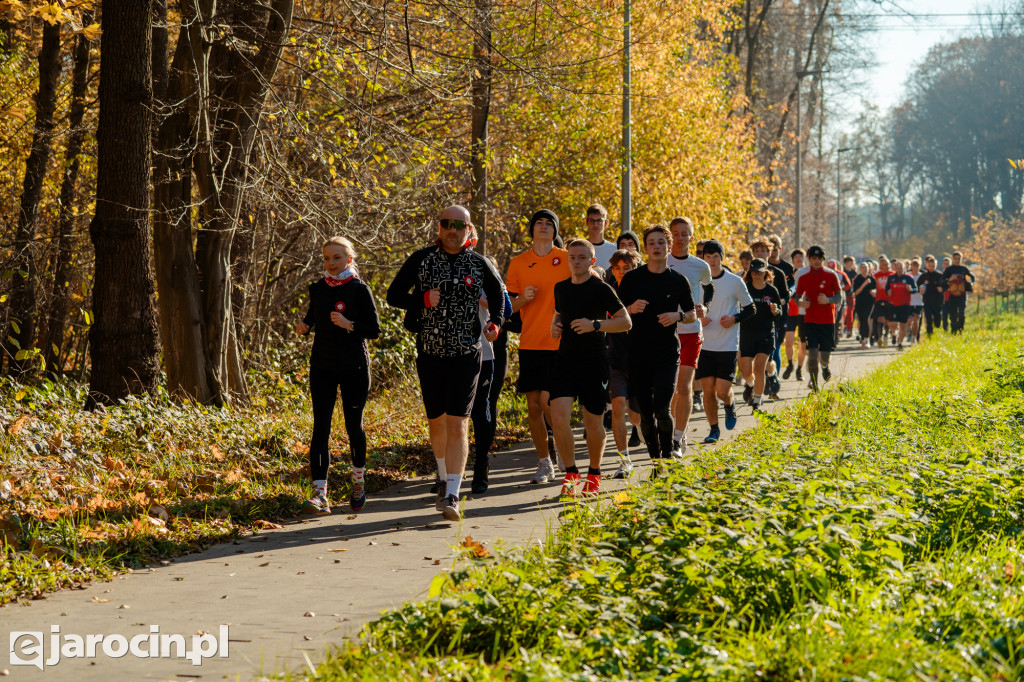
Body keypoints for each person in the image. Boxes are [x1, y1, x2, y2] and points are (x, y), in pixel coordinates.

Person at [386, 206, 506, 521]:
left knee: (457, 422)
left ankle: (452, 493)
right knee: (437, 421)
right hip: (430, 353)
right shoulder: (421, 259)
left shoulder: (479, 263)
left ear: (469, 230)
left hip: (467, 354)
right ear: (439, 228)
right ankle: (442, 475)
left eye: (459, 225)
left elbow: (499, 298)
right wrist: (422, 299)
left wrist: (495, 323)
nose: (452, 230)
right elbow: (393, 294)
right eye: (446, 224)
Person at [297, 236, 382, 514]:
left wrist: (349, 324)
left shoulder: (359, 289)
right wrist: (305, 326)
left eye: (337, 258)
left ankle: (358, 482)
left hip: (354, 366)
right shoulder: (318, 288)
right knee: (320, 427)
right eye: (326, 258)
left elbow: (374, 330)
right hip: (322, 366)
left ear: (349, 259)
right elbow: (313, 316)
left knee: (353, 426)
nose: (331, 263)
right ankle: (320, 494)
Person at [549, 239, 632, 496]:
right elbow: (558, 313)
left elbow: (625, 322)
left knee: (593, 423)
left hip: (594, 362)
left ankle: (594, 473)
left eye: (582, 257)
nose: (576, 261)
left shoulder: (601, 289)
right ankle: (571, 474)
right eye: (572, 257)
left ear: (592, 261)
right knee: (558, 418)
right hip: (565, 360)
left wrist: (594, 325)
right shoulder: (560, 287)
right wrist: (554, 326)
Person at [617, 225, 697, 461]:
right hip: (638, 354)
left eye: (661, 242)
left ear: (669, 247)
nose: (656, 247)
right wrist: (631, 309)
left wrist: (677, 316)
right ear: (645, 248)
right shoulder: (632, 279)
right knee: (645, 414)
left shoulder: (678, 280)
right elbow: (616, 313)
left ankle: (667, 456)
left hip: (667, 354)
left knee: (662, 409)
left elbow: (692, 314)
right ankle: (656, 462)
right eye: (651, 243)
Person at [506, 209, 571, 484]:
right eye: (539, 223)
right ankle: (545, 462)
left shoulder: (567, 258)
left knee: (548, 403)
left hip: (559, 343)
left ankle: (562, 448)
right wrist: (523, 298)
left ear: (555, 230)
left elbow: (587, 285)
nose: (543, 227)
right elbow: (507, 307)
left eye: (549, 223)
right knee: (533, 407)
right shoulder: (519, 263)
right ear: (532, 229)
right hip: (530, 343)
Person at [467, 232, 514, 494]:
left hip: (482, 352)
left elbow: (507, 308)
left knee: (480, 412)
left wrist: (480, 298)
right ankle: (446, 474)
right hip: (448, 353)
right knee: (450, 416)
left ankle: (481, 465)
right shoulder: (438, 267)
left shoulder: (486, 271)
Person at [697, 239, 755, 444]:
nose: (712, 261)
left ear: (721, 258)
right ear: (703, 258)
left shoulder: (734, 281)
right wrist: (698, 318)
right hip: (704, 344)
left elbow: (751, 308)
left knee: (722, 391)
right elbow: (687, 307)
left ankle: (729, 405)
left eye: (715, 256)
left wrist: (734, 319)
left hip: (728, 345)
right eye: (708, 257)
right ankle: (714, 429)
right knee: (708, 390)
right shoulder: (696, 281)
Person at [666, 217, 714, 455]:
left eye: (684, 234)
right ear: (669, 236)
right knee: (669, 388)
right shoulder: (660, 261)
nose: (679, 238)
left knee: (683, 387)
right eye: (675, 233)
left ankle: (677, 437)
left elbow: (709, 288)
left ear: (691, 238)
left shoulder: (700, 266)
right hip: (665, 331)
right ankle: (670, 429)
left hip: (691, 331)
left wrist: (705, 307)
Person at [606, 249, 644, 477]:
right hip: (617, 358)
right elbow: (604, 317)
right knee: (618, 405)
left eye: (626, 268)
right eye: (617, 268)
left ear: (635, 268)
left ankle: (642, 431)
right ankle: (624, 460)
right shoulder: (608, 291)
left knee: (636, 416)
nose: (621, 272)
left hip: (641, 359)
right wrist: (629, 310)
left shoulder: (644, 289)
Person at [794, 245, 842, 391]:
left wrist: (828, 300)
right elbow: (797, 296)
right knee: (813, 353)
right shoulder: (804, 277)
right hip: (811, 320)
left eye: (819, 258)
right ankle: (815, 385)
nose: (816, 261)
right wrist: (801, 303)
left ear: (823, 259)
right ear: (809, 259)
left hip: (827, 320)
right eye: (814, 258)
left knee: (825, 355)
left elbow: (839, 296)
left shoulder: (831, 275)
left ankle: (825, 366)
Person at [739, 258, 781, 410]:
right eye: (754, 271)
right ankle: (750, 384)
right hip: (747, 332)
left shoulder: (771, 291)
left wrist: (776, 311)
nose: (756, 274)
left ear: (765, 273)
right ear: (750, 273)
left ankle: (757, 401)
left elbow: (779, 312)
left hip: (766, 333)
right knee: (746, 370)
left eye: (759, 272)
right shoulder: (744, 288)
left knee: (759, 367)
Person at [751, 237, 788, 398]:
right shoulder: (748, 274)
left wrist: (776, 305)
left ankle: (771, 377)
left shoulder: (778, 274)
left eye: (763, 251)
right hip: (751, 324)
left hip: (773, 322)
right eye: (757, 251)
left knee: (769, 357)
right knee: (753, 360)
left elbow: (786, 295)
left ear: (769, 252)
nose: (760, 253)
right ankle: (759, 383)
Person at [783, 248, 806, 381]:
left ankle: (799, 369)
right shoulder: (789, 274)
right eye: (796, 257)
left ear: (804, 258)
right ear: (792, 260)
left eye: (800, 256)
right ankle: (790, 364)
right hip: (790, 312)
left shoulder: (808, 273)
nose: (798, 259)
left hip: (804, 313)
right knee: (789, 341)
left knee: (804, 344)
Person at [885, 259, 918, 350]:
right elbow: (886, 288)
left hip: (904, 305)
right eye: (898, 268)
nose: (900, 269)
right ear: (895, 268)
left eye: (901, 268)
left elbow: (915, 289)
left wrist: (911, 289)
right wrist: (888, 292)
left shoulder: (909, 278)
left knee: (902, 326)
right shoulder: (891, 278)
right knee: (893, 323)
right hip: (893, 305)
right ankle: (893, 334)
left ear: (904, 268)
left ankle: (899, 343)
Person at [943, 251, 975, 334]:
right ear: (953, 259)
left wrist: (971, 283)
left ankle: (960, 330)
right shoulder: (949, 269)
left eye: (959, 259)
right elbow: (942, 280)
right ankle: (953, 331)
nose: (957, 260)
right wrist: (950, 279)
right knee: (953, 314)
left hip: (962, 295)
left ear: (961, 259)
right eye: (956, 259)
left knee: (961, 313)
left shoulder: (964, 269)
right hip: (952, 295)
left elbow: (972, 276)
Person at [917, 254, 945, 337]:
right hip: (927, 301)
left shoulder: (940, 276)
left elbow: (946, 286)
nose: (931, 268)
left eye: (933, 266)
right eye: (929, 266)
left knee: (937, 321)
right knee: (928, 320)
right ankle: (930, 335)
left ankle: (936, 330)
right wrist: (920, 289)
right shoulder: (924, 276)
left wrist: (942, 289)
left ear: (935, 265)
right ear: (927, 266)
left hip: (937, 302)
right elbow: (916, 285)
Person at [872, 255, 896, 347]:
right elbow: (873, 286)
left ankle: (886, 335)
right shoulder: (876, 275)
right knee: (880, 319)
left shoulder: (892, 274)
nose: (887, 266)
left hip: (890, 300)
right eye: (885, 265)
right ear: (880, 266)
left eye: (888, 264)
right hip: (879, 299)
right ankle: (880, 338)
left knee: (887, 321)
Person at [584, 204, 617, 271]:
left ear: (606, 223)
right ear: (586, 222)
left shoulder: (615, 250)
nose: (595, 224)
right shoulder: (578, 249)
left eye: (599, 221)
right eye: (592, 221)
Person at [852, 261, 876, 349]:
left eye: (866, 267)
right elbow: (856, 292)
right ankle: (863, 337)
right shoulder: (857, 279)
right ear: (860, 269)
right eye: (862, 267)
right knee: (862, 321)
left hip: (869, 303)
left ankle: (866, 339)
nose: (864, 269)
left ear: (869, 269)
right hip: (860, 302)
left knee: (866, 318)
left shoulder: (872, 279)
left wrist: (874, 292)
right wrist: (864, 284)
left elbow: (876, 289)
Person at [907, 258, 924, 342]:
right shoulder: (908, 275)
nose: (915, 267)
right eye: (913, 266)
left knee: (916, 320)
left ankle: (914, 337)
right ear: (911, 266)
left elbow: (924, 286)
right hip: (909, 301)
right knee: (909, 320)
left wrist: (923, 290)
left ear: (919, 266)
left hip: (919, 301)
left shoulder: (922, 276)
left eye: (917, 266)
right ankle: (909, 333)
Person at [842, 255, 858, 337]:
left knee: (850, 312)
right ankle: (842, 328)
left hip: (851, 295)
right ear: (846, 263)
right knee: (843, 312)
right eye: (850, 262)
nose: (851, 263)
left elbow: (856, 284)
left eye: (852, 262)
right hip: (843, 294)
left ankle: (849, 329)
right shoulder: (842, 272)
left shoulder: (854, 273)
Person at [940, 255, 952, 330]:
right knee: (944, 315)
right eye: (945, 263)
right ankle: (945, 329)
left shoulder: (953, 274)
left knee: (952, 315)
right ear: (942, 265)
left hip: (952, 296)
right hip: (944, 297)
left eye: (948, 264)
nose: (946, 265)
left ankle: (953, 329)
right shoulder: (941, 274)